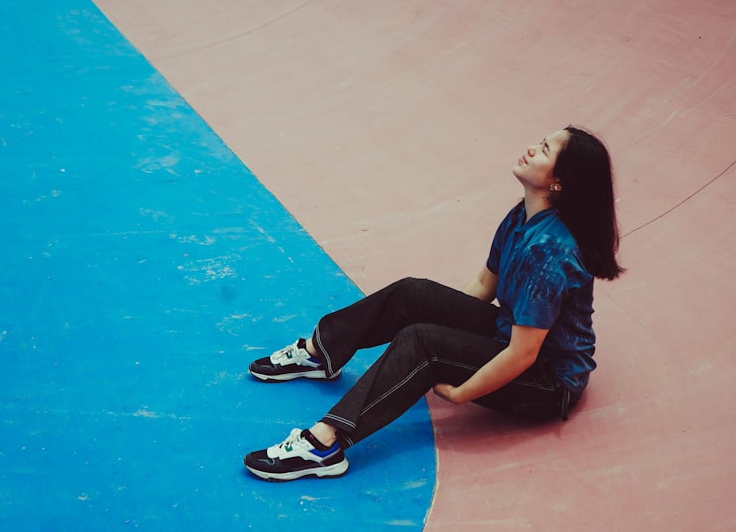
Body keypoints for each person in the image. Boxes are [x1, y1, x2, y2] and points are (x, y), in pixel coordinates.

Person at [243, 126, 624, 481]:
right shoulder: (522, 215)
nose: (530, 148)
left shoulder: (550, 253)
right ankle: (321, 352)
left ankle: (324, 445)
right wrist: (441, 327)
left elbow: (524, 354)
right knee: (414, 293)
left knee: (422, 343)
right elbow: (480, 286)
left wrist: (461, 390)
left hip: (547, 380)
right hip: (510, 338)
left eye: (543, 150)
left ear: (558, 182)